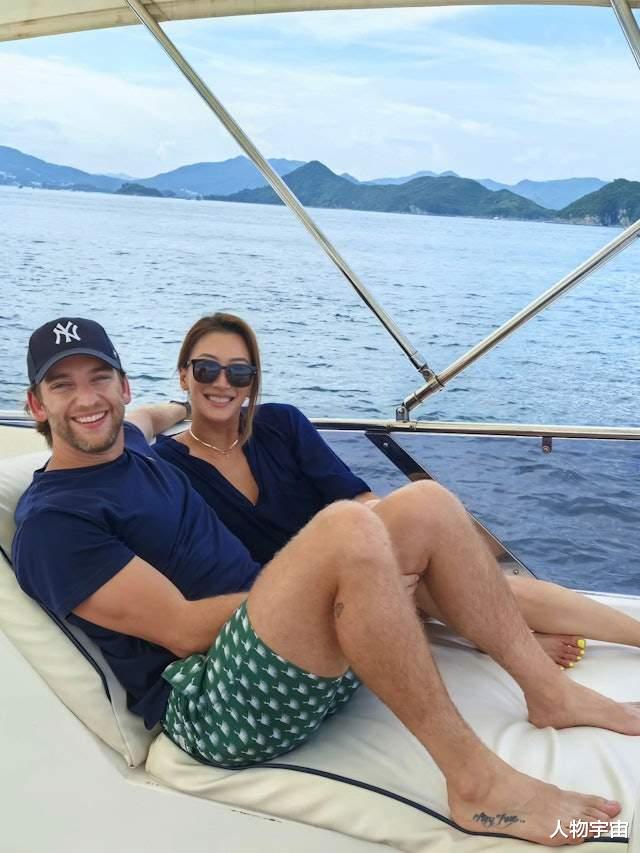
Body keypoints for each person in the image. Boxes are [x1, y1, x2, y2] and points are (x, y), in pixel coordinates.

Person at [13, 316, 640, 848]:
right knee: (346, 527)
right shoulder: (56, 522)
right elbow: (180, 631)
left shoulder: (131, 440)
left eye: (99, 379)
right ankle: (478, 784)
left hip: (282, 657)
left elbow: (151, 416)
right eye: (62, 385)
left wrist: (185, 405)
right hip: (214, 705)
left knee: (426, 503)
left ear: (123, 387)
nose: (86, 398)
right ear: (36, 406)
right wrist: (326, 591)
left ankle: (549, 693)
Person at [154, 313, 640, 668]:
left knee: (425, 549)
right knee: (429, 572)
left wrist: (400, 544)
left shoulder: (281, 424)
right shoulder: (168, 467)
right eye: (206, 369)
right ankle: (503, 639)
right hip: (285, 605)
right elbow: (130, 429)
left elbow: (357, 499)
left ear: (252, 382)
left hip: (355, 571)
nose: (223, 383)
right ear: (183, 375)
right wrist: (168, 411)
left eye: (239, 372)